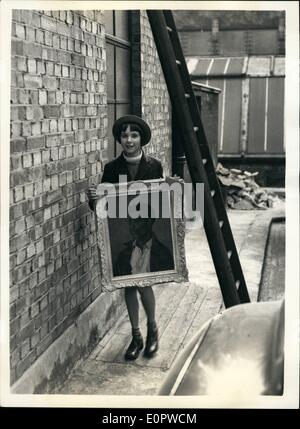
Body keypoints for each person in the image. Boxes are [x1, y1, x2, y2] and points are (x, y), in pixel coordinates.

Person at [88, 115, 164, 360]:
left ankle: (153, 330)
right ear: (119, 139)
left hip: (147, 235)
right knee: (128, 285)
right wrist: (94, 198)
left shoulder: (154, 166)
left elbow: (161, 203)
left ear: (141, 139)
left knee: (144, 283)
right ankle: (136, 336)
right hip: (124, 236)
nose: (129, 140)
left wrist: (171, 189)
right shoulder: (112, 169)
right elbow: (103, 208)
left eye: (134, 135)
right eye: (124, 135)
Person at [114, 209, 174, 277]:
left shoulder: (163, 253)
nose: (132, 226)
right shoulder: (123, 255)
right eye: (130, 222)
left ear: (149, 222)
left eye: (136, 221)